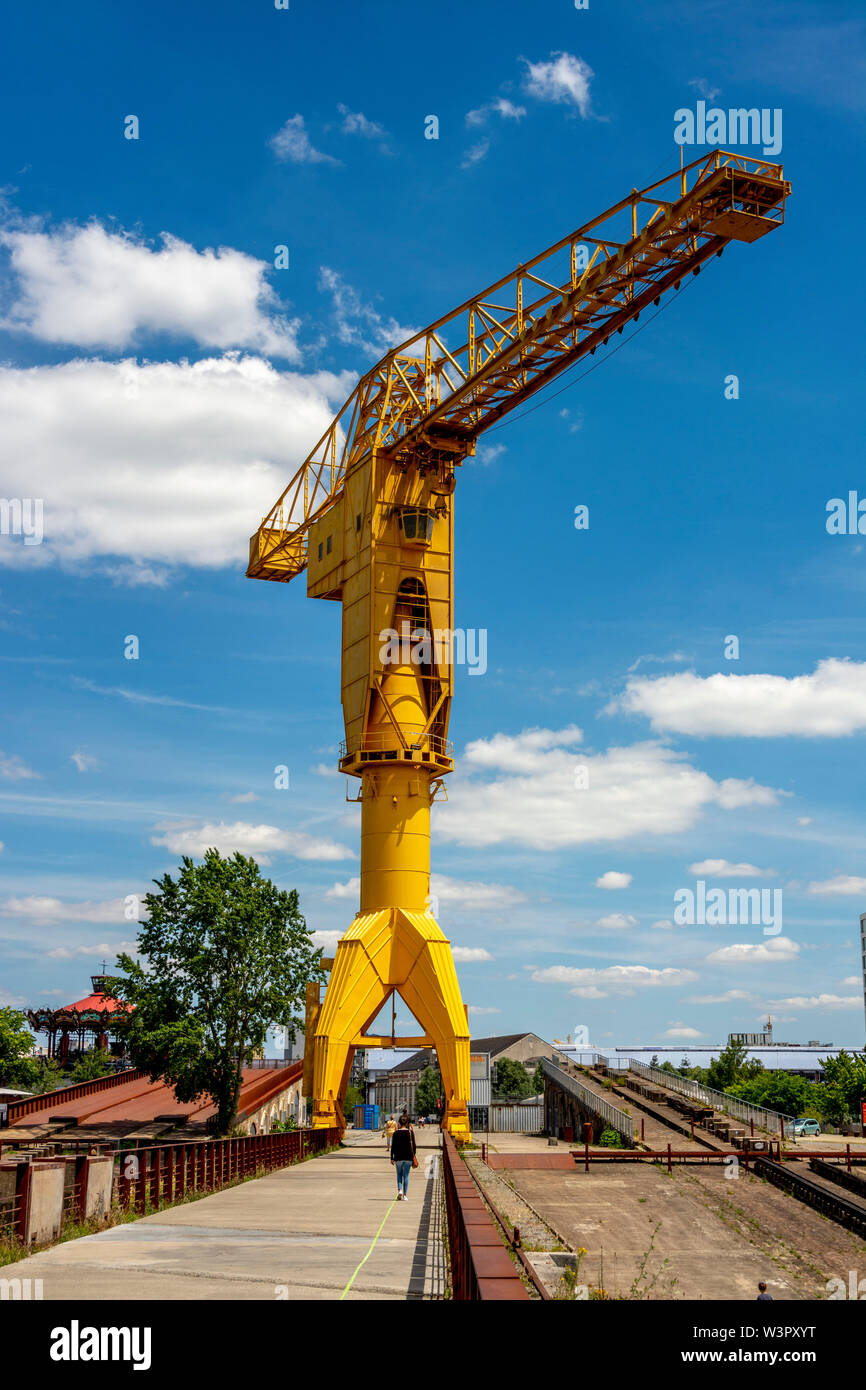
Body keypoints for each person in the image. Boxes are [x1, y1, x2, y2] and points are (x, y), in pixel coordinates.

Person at [390, 1115, 417, 1200]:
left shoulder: (396, 1133)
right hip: (408, 1157)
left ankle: (400, 1191)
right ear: (407, 1123)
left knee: (399, 1174)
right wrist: (413, 1156)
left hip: (398, 1157)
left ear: (399, 1123)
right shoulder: (410, 1132)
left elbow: (393, 1146)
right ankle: (405, 1195)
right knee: (406, 1175)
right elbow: (414, 1146)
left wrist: (391, 1158)